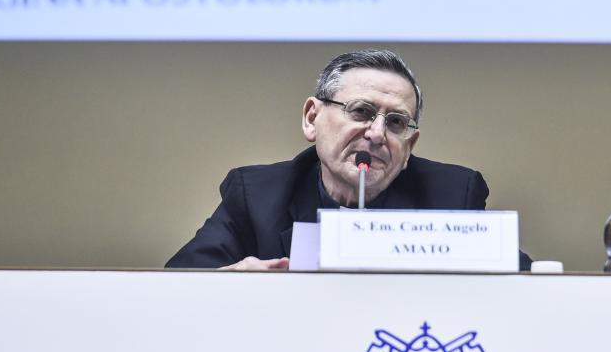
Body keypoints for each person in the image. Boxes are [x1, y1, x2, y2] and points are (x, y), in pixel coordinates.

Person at [166, 49, 532, 270]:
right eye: (361, 112)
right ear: (312, 118)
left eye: (396, 122)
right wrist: (225, 283)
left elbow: (529, 286)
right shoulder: (257, 196)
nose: (377, 134)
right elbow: (176, 287)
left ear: (410, 146)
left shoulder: (451, 196)